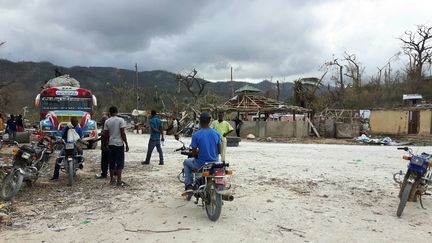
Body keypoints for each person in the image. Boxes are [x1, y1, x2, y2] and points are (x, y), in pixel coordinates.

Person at [183, 112, 221, 194]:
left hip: (201, 163)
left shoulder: (196, 135)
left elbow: (193, 152)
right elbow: (219, 151)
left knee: (186, 162)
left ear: (199, 121)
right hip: (215, 162)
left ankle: (188, 185)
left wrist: (197, 155)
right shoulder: (216, 133)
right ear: (210, 121)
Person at [104, 106, 129, 186]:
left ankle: (111, 180)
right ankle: (119, 180)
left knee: (111, 162)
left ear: (110, 112)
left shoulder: (107, 121)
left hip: (111, 144)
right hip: (119, 144)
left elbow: (106, 134)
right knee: (119, 162)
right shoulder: (121, 120)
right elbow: (122, 133)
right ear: (117, 112)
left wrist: (106, 143)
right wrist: (126, 143)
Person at [96, 114, 109, 179]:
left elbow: (105, 135)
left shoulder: (105, 127)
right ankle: (114, 172)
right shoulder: (109, 125)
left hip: (105, 146)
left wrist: (101, 134)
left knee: (104, 160)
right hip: (110, 146)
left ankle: (104, 174)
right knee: (111, 159)